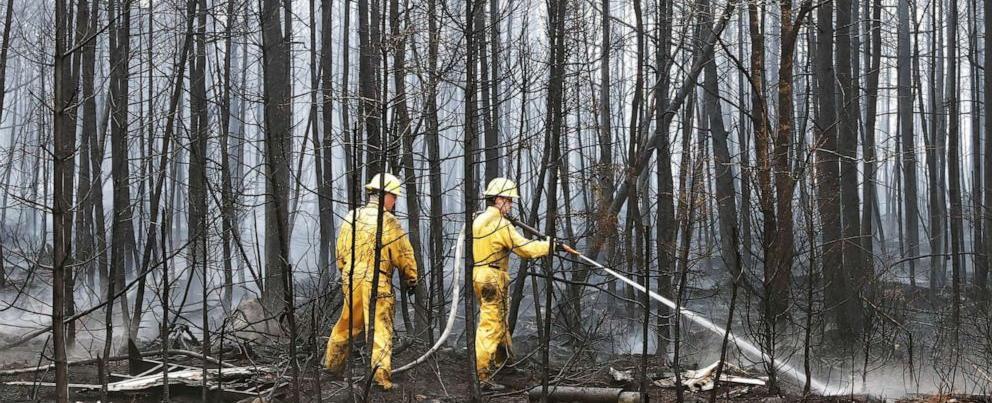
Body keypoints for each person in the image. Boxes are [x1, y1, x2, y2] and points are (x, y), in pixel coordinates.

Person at [471, 177, 578, 388]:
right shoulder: (499, 224)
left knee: (499, 322)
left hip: (481, 275)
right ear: (499, 199)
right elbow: (526, 250)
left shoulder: (479, 220)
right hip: (493, 277)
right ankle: (481, 376)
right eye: (509, 200)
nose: (510, 205)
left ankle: (505, 364)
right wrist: (550, 246)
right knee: (490, 326)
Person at [324, 173, 418, 390]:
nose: (394, 201)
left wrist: (346, 272)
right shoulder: (388, 221)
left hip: (351, 277)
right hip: (376, 281)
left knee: (348, 324)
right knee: (380, 328)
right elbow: (403, 253)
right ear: (385, 195)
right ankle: (380, 379)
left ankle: (331, 367)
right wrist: (411, 277)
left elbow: (341, 251)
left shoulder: (352, 217)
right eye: (394, 196)